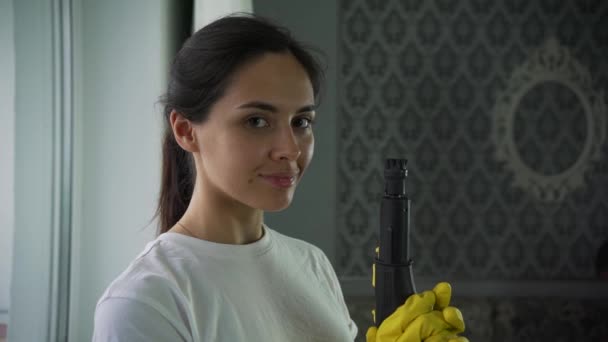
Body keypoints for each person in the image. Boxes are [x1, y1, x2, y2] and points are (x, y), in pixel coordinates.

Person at [92, 13, 467, 342]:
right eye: (257, 121)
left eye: (301, 122)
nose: (290, 148)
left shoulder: (312, 265)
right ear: (186, 131)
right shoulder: (146, 303)